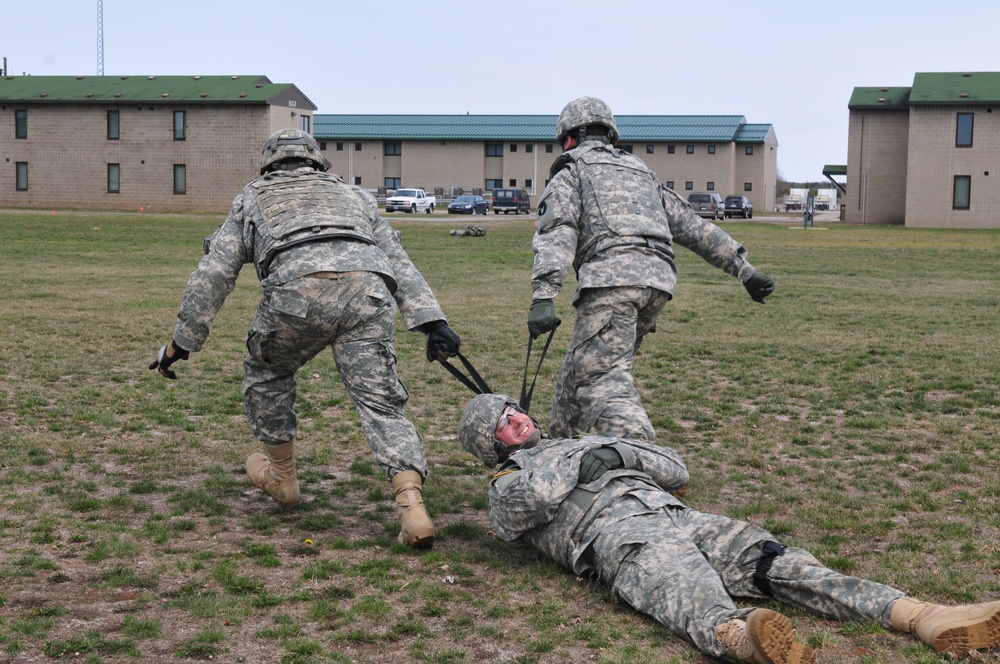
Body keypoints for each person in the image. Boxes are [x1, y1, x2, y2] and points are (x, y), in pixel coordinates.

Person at [458, 393, 1000, 663]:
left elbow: (675, 470)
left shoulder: (579, 443)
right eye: (504, 421)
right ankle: (743, 640)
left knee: (784, 564)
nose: (518, 416)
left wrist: (614, 447)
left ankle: (918, 616)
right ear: (493, 445)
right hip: (621, 539)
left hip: (683, 518)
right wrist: (584, 458)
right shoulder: (505, 485)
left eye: (515, 407)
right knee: (685, 589)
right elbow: (525, 509)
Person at [149, 128, 461, 548]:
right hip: (368, 295)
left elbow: (215, 271)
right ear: (316, 160)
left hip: (296, 297)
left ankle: (283, 479)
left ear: (268, 163)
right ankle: (412, 508)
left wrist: (182, 341)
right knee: (381, 403)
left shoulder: (253, 197)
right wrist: (430, 320)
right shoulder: (354, 196)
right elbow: (397, 259)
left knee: (268, 372)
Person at [528, 97, 776, 444]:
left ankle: (641, 452)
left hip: (611, 283)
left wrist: (543, 295)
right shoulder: (640, 171)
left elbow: (558, 230)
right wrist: (743, 269)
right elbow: (691, 225)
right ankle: (558, 448)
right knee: (580, 366)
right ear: (610, 134)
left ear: (569, 138)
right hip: (657, 285)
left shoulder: (573, 170)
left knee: (601, 377)